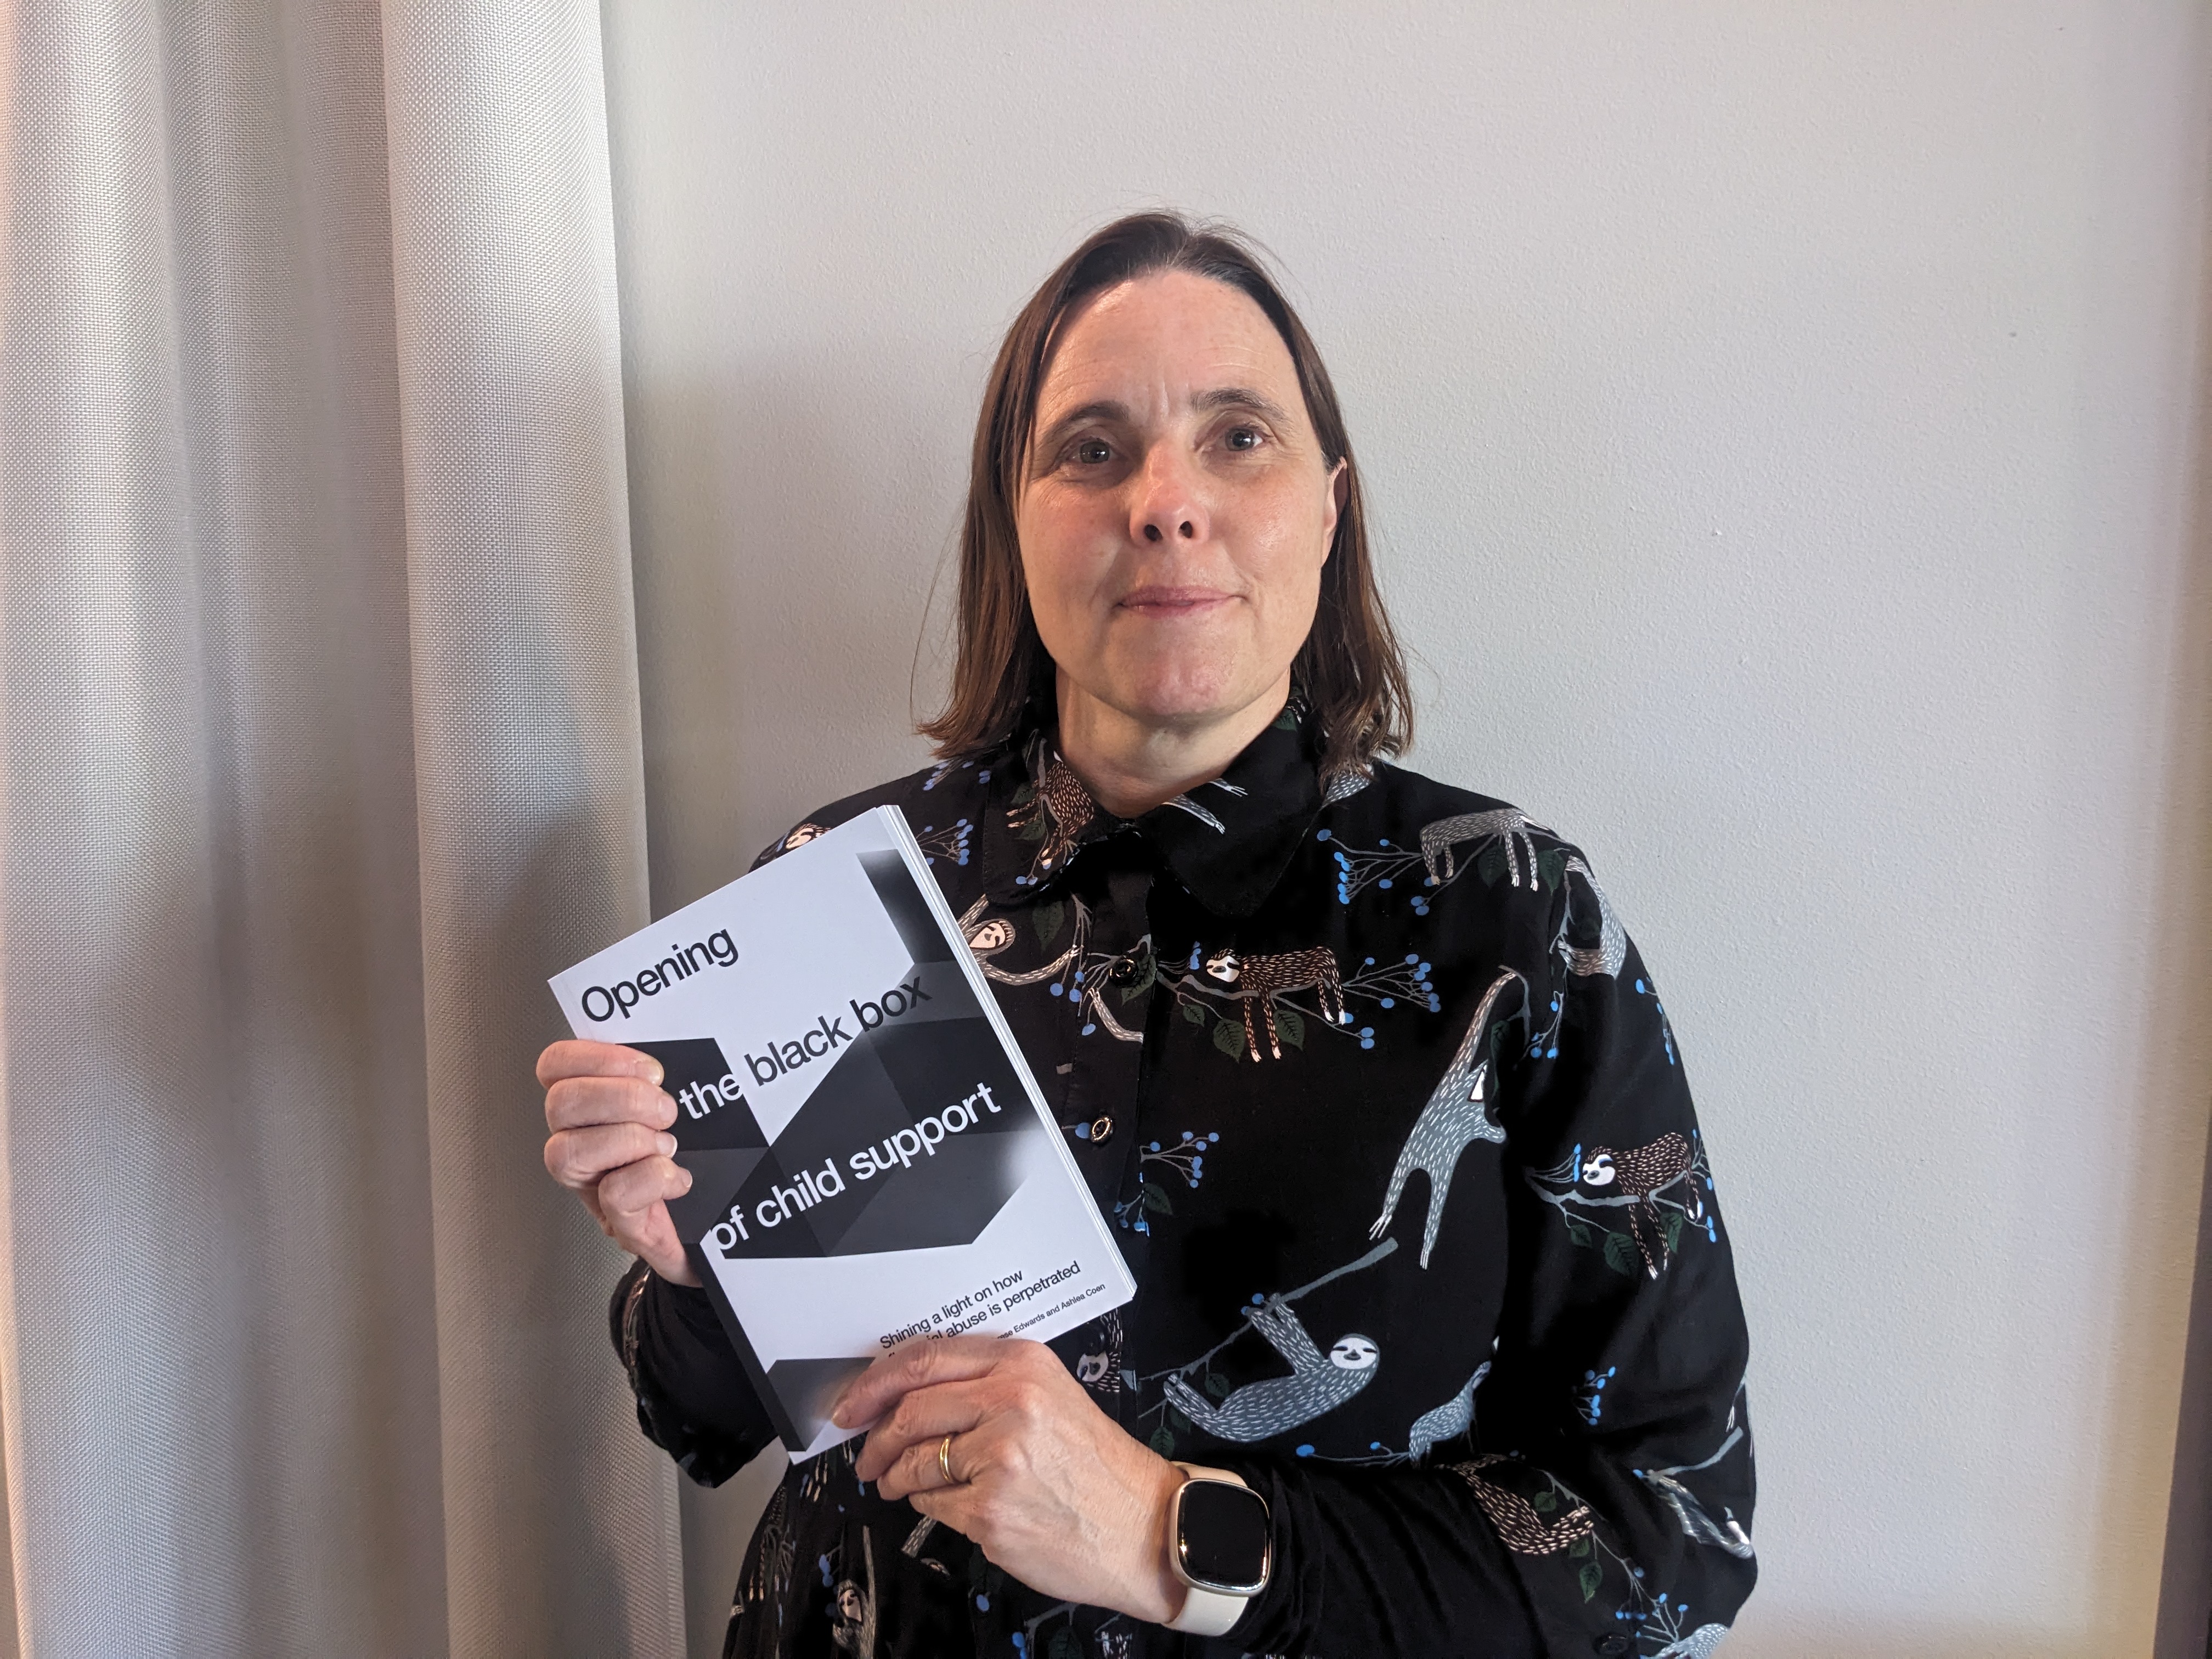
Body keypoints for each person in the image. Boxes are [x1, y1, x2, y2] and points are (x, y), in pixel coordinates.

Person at [540, 212, 1756, 1658]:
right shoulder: (842, 894)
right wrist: (701, 1274)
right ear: (1014, 521)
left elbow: (1675, 1533)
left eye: (1238, 438)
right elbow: (698, 1416)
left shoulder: (1516, 923)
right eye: (1092, 449)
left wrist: (1167, 1534)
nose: (1167, 502)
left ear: (1328, 510)